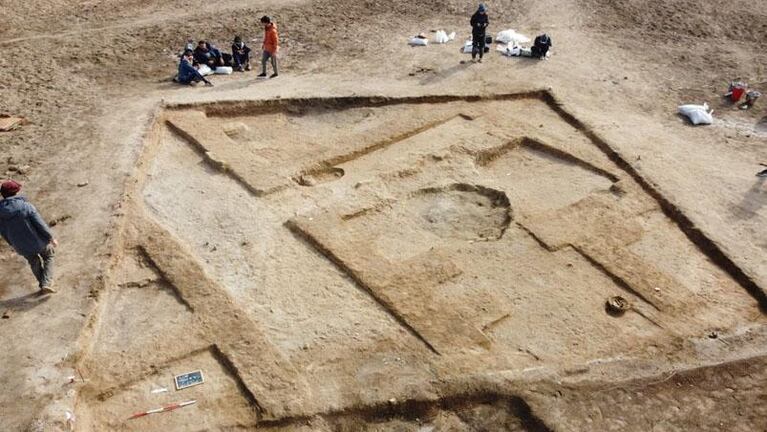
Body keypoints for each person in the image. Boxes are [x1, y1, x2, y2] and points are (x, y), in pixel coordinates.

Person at [0, 180, 58, 294]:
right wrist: (51, 237)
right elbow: (39, 224)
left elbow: (3, 232)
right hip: (38, 241)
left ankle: (43, 283)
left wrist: (12, 244)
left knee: (34, 262)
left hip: (20, 245)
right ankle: (46, 283)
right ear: (16, 192)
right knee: (49, 255)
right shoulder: (25, 206)